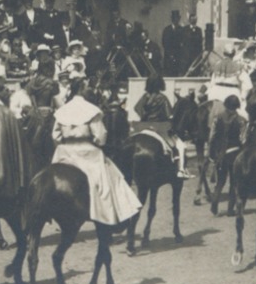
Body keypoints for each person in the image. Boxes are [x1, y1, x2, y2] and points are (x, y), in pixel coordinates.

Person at [52, 94, 143, 226]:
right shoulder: (91, 111)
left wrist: (64, 143)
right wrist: (96, 142)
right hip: (87, 150)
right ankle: (107, 211)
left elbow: (55, 136)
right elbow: (101, 136)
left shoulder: (61, 112)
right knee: (110, 176)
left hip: (64, 151)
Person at [133, 73, 188, 176]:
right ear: (160, 84)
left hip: (143, 125)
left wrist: (144, 116)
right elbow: (169, 115)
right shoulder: (163, 98)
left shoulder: (145, 97)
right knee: (181, 146)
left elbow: (137, 108)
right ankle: (181, 170)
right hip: (160, 127)